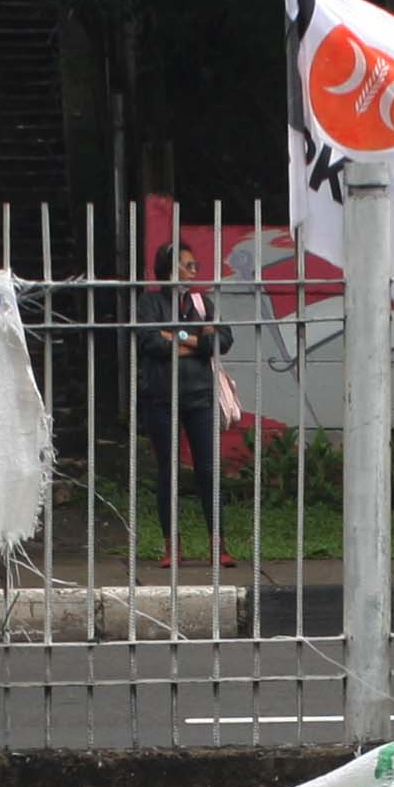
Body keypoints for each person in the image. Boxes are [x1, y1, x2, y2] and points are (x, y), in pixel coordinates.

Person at [131, 239, 234, 567]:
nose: (193, 272)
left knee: (208, 470)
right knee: (168, 471)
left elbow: (223, 340)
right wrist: (195, 338)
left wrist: (177, 337)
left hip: (200, 396)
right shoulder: (149, 303)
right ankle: (171, 545)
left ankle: (218, 543)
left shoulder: (202, 303)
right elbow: (149, 342)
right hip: (160, 397)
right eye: (187, 266)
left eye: (194, 267)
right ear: (169, 268)